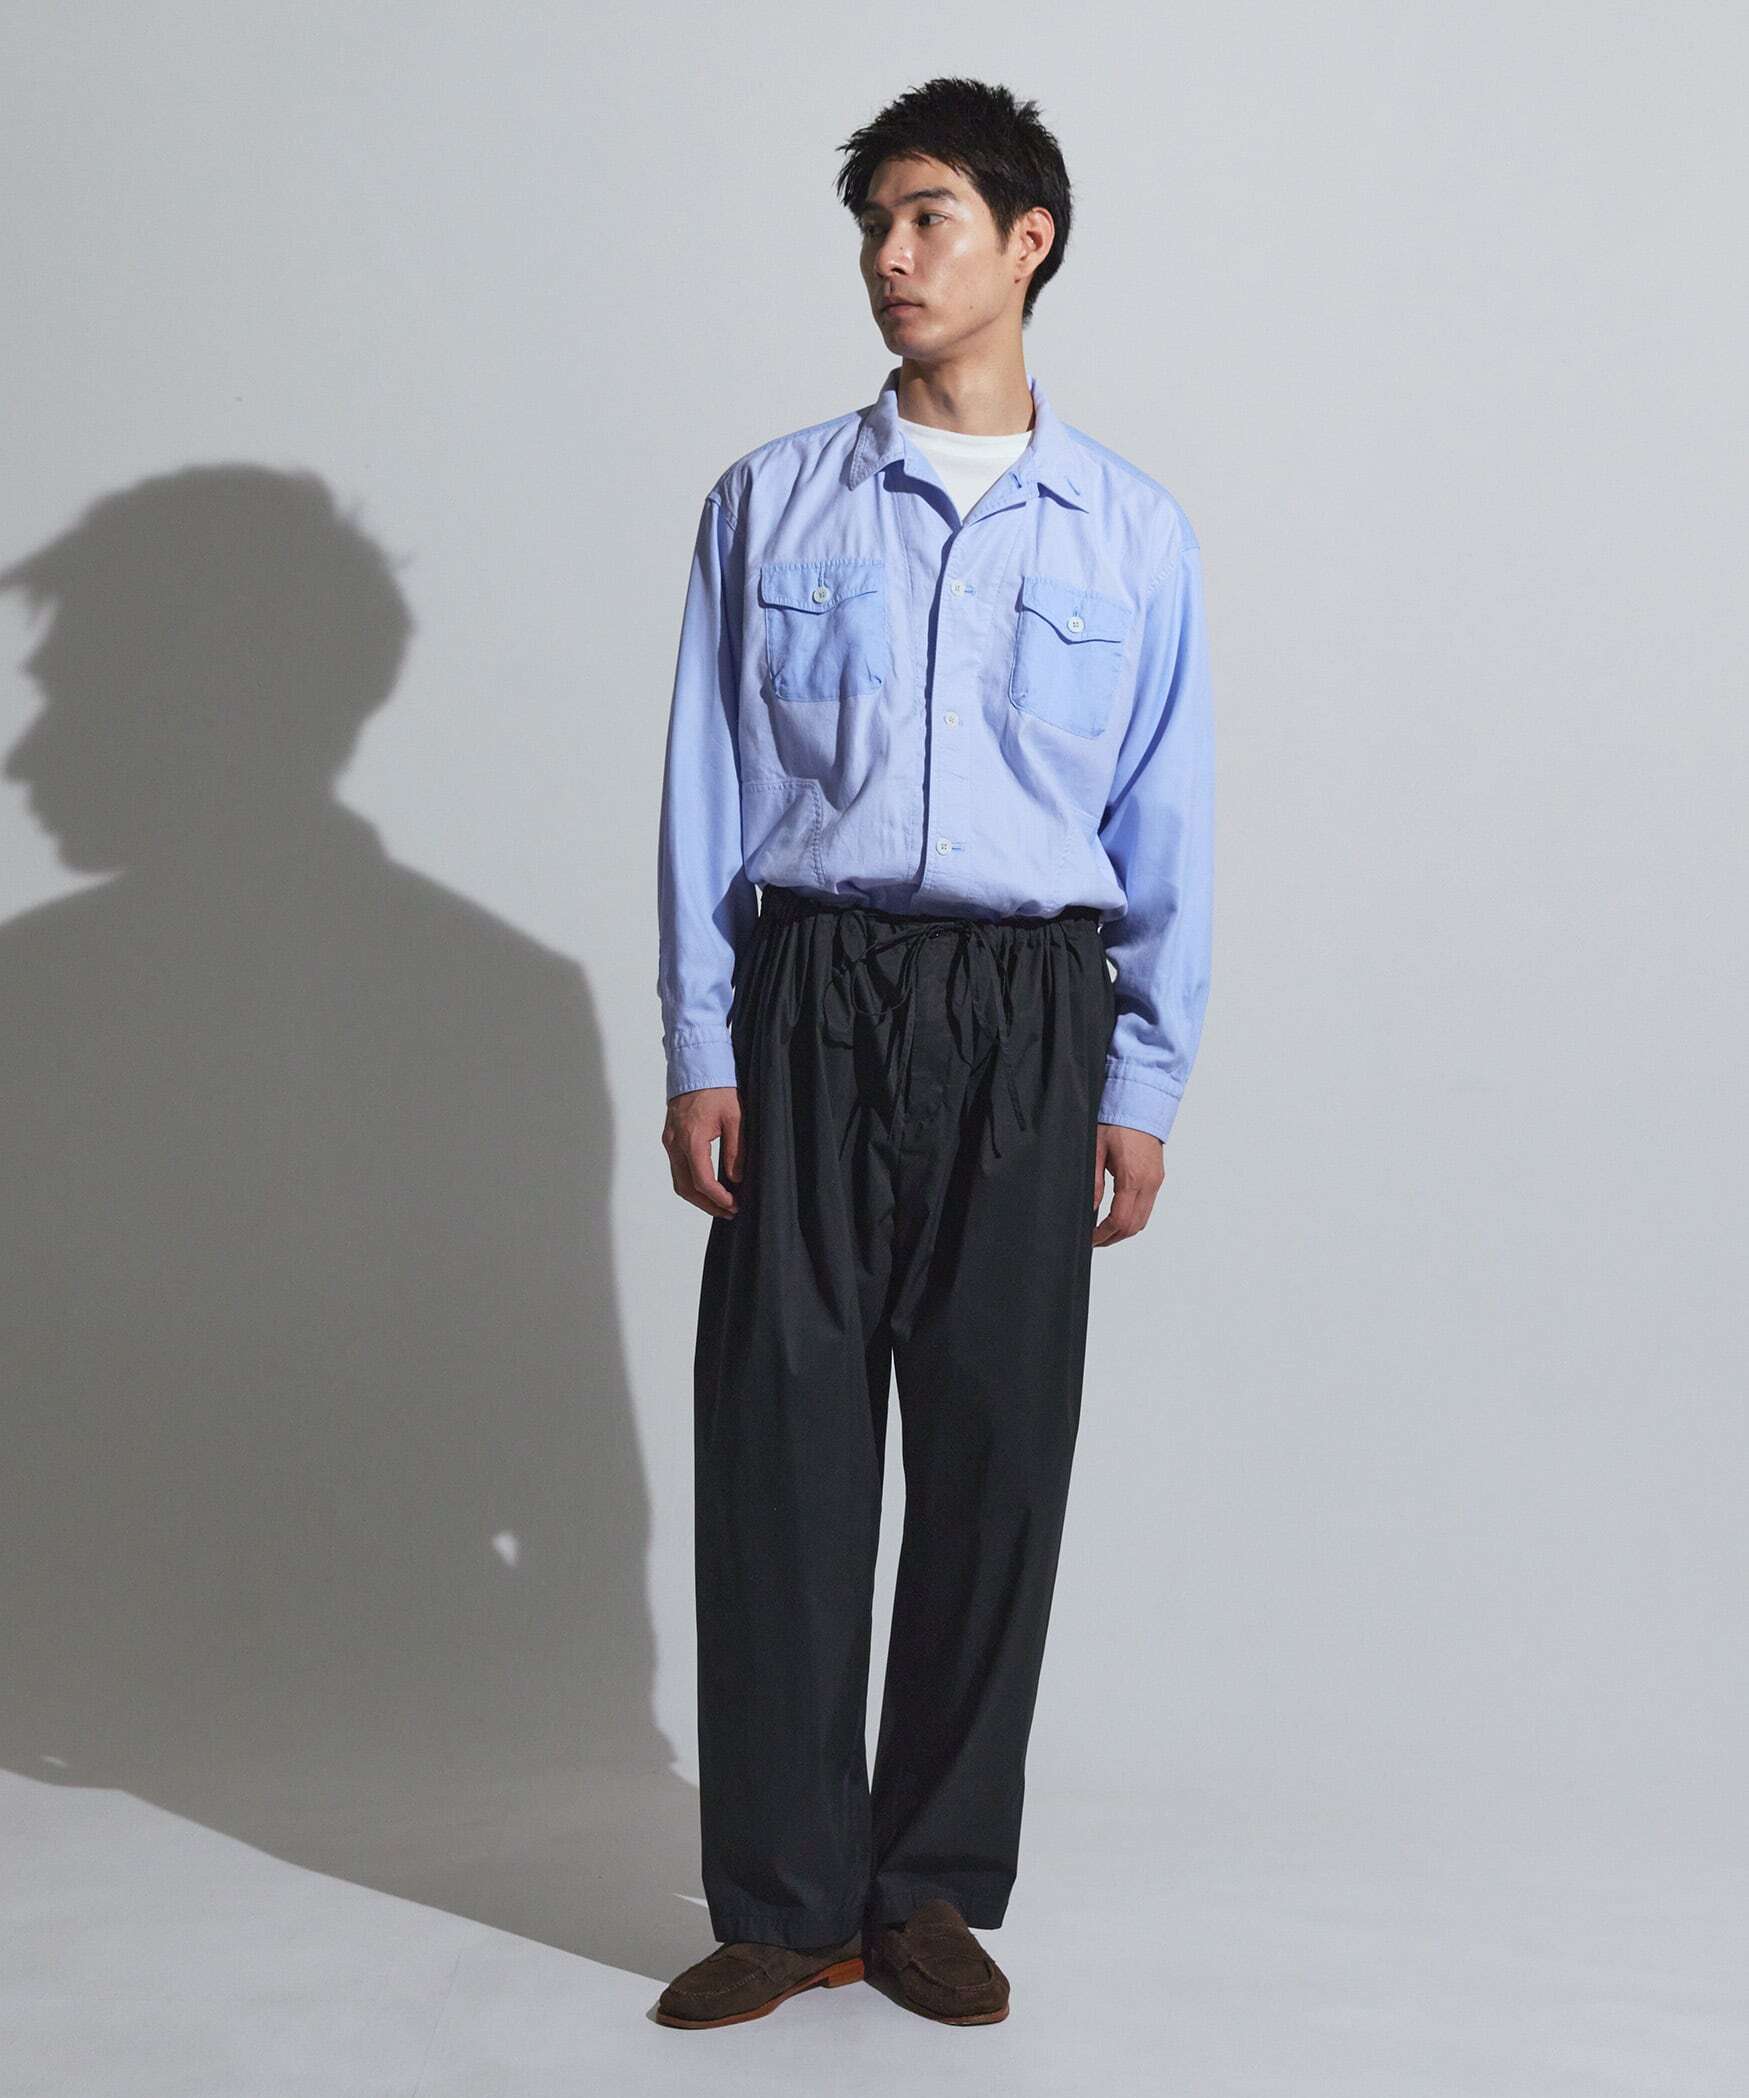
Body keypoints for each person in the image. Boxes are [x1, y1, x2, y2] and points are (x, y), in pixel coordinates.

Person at [652, 75, 1214, 2029]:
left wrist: (1139, 1079)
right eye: (872, 228)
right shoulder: (771, 503)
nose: (888, 260)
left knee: (995, 1451)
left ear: (1023, 241)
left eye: (925, 220)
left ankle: (928, 1888)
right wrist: (703, 1037)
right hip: (808, 992)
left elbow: (1165, 823)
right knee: (779, 1444)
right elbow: (702, 790)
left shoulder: (1130, 533)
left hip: (1029, 1011)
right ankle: (782, 1892)